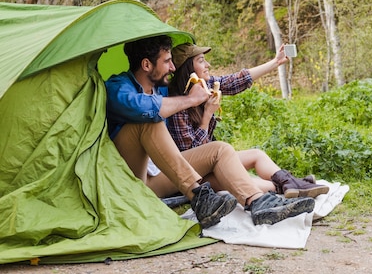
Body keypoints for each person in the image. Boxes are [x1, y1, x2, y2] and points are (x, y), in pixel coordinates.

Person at [104, 35, 315, 228]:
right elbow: (146, 109)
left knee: (220, 150)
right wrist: (190, 100)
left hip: (161, 175)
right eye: (167, 61)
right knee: (150, 118)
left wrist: (274, 63)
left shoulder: (162, 88)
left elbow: (226, 82)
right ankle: (199, 197)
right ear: (147, 64)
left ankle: (258, 202)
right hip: (133, 179)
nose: (173, 67)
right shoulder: (118, 87)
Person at [167, 42, 329, 198]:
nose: (208, 65)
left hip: (213, 161)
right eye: (201, 61)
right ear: (189, 69)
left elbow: (237, 80)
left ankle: (292, 183)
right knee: (245, 180)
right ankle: (294, 185)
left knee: (257, 155)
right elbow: (193, 155)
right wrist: (207, 115)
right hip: (194, 175)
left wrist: (275, 62)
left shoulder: (204, 85)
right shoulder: (178, 104)